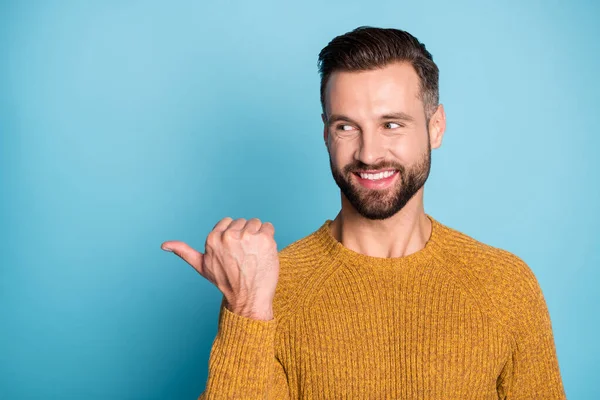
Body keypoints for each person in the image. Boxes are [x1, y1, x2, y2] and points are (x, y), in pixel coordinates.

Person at [161, 26, 566, 399]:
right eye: (346, 127)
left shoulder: (505, 286)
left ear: (436, 126)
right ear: (325, 133)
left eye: (392, 124)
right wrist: (247, 308)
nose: (369, 154)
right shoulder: (265, 289)